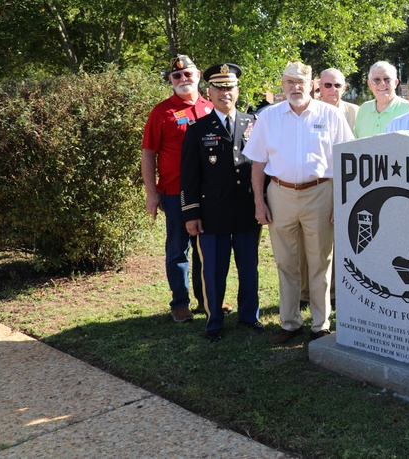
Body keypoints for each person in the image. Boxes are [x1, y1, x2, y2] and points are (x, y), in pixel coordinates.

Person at [244, 61, 353, 344]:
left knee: (320, 261)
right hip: (280, 194)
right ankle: (290, 323)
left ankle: (321, 325)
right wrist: (259, 202)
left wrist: (340, 202)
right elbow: (257, 162)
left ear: (312, 85)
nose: (295, 87)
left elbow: (345, 162)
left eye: (300, 83)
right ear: (282, 85)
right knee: (286, 262)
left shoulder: (330, 115)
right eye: (289, 82)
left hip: (320, 193)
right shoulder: (269, 117)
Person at [180, 63, 263, 342]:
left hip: (246, 210)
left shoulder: (253, 124)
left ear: (237, 91)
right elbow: (188, 176)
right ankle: (214, 320)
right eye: (219, 88)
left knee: (249, 267)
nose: (225, 93)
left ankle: (249, 315)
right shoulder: (197, 129)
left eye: (230, 88)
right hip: (212, 213)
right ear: (209, 92)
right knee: (213, 271)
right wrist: (191, 214)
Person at [141, 54, 217, 323]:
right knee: (178, 249)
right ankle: (180, 302)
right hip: (175, 193)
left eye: (188, 75)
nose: (183, 79)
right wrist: (152, 194)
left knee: (206, 249)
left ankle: (207, 299)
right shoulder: (162, 112)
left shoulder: (211, 107)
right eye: (177, 76)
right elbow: (148, 154)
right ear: (171, 80)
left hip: (208, 193)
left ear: (198, 77)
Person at [353, 61, 409, 138]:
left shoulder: (408, 109)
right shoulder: (364, 109)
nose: (382, 83)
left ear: (396, 83)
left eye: (387, 79)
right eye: (377, 80)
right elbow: (356, 143)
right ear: (369, 84)